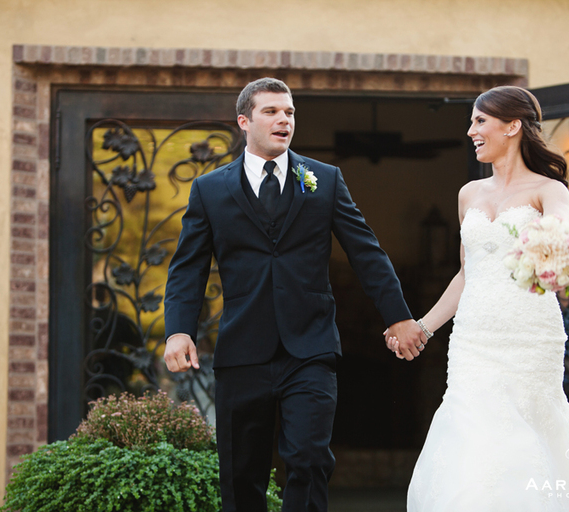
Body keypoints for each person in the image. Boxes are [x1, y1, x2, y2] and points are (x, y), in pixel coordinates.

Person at [163, 77, 423, 512]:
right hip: (242, 350)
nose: (283, 119)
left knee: (310, 459)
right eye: (271, 112)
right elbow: (188, 267)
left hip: (310, 348)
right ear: (244, 121)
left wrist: (398, 316)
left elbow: (366, 252)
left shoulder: (325, 180)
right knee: (241, 473)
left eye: (289, 112)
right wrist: (178, 331)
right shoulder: (209, 189)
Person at [388, 86, 569, 511]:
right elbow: (467, 273)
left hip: (530, 335)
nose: (471, 131)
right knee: (470, 434)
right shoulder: (468, 194)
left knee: (532, 434)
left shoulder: (549, 190)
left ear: (512, 126)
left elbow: (557, 239)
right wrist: (423, 327)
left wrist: (561, 251)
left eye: (480, 121)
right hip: (473, 339)